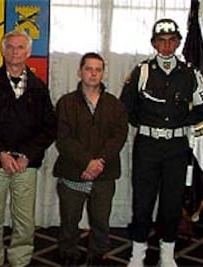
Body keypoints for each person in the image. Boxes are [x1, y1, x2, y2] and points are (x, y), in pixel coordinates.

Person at [120, 18, 203, 267]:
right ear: (154, 43)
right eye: (162, 41)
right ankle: (137, 254)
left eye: (172, 40)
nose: (167, 46)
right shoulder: (142, 71)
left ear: (179, 42)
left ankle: (167, 254)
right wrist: (150, 125)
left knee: (171, 203)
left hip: (176, 148)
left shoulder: (191, 73)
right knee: (142, 202)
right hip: (147, 146)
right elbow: (126, 107)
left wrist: (180, 123)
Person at [0, 30, 56, 267]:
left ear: (28, 52)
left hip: (26, 165)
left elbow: (49, 127)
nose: (15, 52)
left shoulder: (39, 87)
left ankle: (20, 261)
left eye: (20, 48)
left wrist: (28, 155)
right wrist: (0, 153)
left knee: (25, 222)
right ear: (3, 50)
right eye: (11, 47)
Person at [53, 52, 128, 266]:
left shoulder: (115, 104)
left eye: (98, 70)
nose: (93, 74)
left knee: (101, 221)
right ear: (80, 71)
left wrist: (99, 162)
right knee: (69, 220)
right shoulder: (66, 103)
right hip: (73, 171)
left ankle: (98, 254)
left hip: (104, 173)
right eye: (89, 69)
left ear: (103, 73)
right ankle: (68, 253)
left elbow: (119, 136)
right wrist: (87, 162)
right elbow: (63, 139)